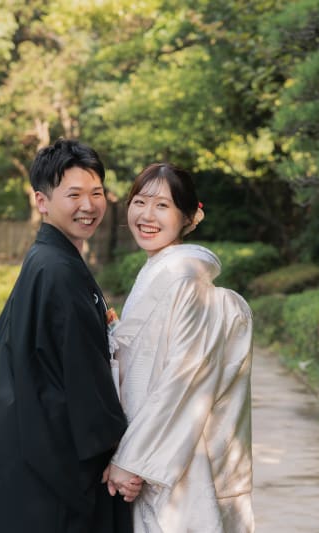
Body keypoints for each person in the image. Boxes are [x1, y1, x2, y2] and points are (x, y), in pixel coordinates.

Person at [0, 138, 140, 533]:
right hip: (52, 472)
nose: (89, 205)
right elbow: (83, 378)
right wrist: (119, 453)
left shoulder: (50, 260)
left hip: (26, 451)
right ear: (41, 201)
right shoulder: (57, 270)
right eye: (74, 195)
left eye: (96, 193)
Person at [103, 163, 255, 532]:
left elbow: (183, 379)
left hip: (173, 454)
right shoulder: (160, 271)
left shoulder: (185, 278)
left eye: (162, 206)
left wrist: (131, 460)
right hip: (152, 445)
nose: (146, 216)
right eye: (139, 202)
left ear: (188, 217)